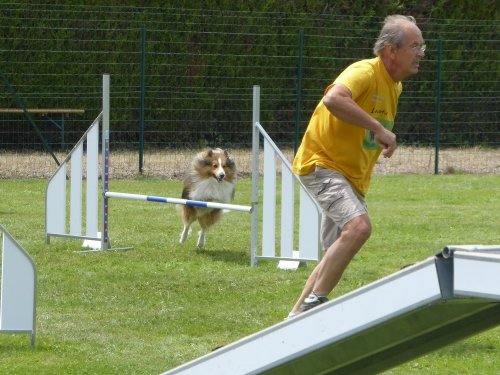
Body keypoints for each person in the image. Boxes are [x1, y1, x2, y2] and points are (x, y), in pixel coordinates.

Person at [288, 15, 425, 318]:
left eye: (422, 46)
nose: (422, 53)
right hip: (323, 164)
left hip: (351, 177)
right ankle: (317, 303)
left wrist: (380, 137)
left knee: (336, 250)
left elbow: (368, 131)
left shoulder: (395, 86)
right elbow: (333, 99)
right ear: (391, 50)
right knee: (359, 228)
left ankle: (296, 317)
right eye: (415, 46)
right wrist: (377, 128)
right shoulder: (363, 71)